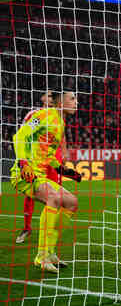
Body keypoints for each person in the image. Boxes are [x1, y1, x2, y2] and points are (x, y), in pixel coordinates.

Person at [11, 92, 83, 273]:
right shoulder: (43, 115)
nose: (76, 102)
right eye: (71, 99)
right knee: (54, 198)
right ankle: (41, 256)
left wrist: (62, 170)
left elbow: (48, 153)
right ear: (59, 102)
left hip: (41, 174)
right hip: (25, 172)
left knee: (71, 202)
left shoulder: (60, 123)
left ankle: (50, 252)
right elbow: (20, 136)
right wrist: (23, 162)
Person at [16, 91, 67, 244]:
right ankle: (27, 228)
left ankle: (49, 229)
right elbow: (23, 133)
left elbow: (62, 136)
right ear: (42, 98)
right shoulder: (34, 114)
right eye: (49, 96)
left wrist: (64, 151)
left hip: (53, 158)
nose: (51, 99)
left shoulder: (58, 117)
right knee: (31, 191)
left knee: (56, 193)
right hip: (37, 157)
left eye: (53, 97)